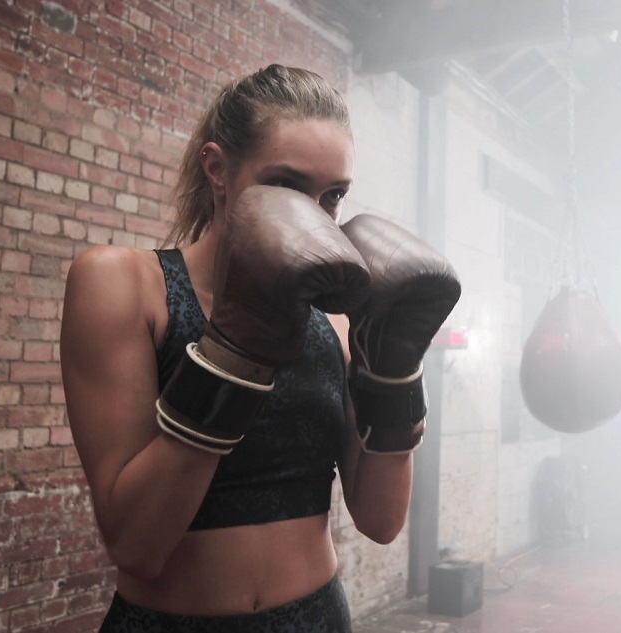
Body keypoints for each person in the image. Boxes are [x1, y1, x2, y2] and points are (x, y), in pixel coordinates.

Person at [60, 63, 461, 632]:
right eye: (286, 185)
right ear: (217, 168)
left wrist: (394, 370)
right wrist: (235, 349)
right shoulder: (124, 284)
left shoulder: (337, 321)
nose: (310, 214)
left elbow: (381, 519)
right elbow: (135, 545)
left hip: (317, 616)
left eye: (331, 196)